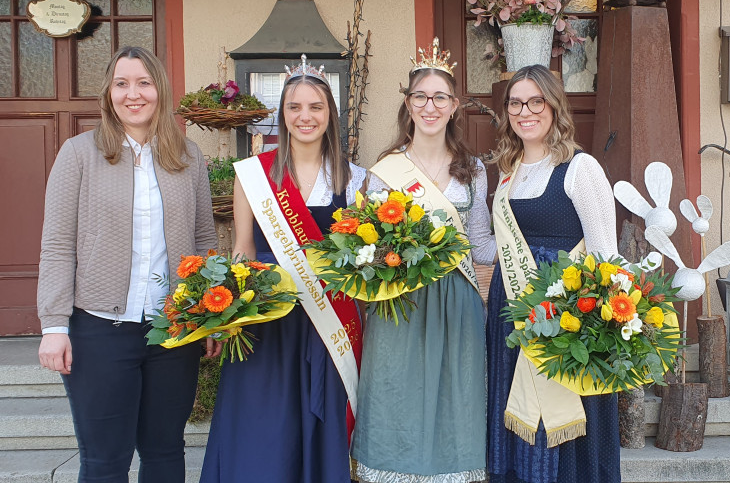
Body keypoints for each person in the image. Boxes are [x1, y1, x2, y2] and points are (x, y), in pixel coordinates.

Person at [37, 46, 218, 482]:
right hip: (99, 329)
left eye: (144, 83)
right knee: (105, 461)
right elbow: (58, 244)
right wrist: (54, 326)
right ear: (108, 93)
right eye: (122, 84)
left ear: (160, 90)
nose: (132, 94)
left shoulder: (189, 157)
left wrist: (211, 319)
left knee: (165, 454)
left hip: (172, 330)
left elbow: (205, 241)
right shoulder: (78, 154)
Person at [200, 56, 365, 483]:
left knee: (322, 423)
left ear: (330, 114)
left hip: (327, 318)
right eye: (295, 107)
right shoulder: (253, 176)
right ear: (283, 114)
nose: (305, 116)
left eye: (316, 107)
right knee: (263, 427)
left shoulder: (357, 179)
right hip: (267, 318)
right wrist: (224, 320)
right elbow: (242, 251)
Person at [351, 38, 496, 483]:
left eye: (439, 98)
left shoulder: (473, 169)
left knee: (457, 396)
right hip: (399, 304)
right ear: (408, 104)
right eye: (420, 97)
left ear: (454, 105)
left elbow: (482, 245)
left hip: (459, 300)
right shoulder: (384, 170)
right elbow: (366, 249)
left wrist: (540, 243)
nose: (429, 106)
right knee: (397, 392)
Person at [486, 64, 620, 483]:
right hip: (511, 309)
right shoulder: (508, 170)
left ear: (553, 105)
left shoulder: (582, 168)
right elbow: (497, 244)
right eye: (515, 103)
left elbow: (605, 254)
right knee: (519, 411)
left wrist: (601, 326)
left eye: (535, 101)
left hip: (565, 313)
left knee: (560, 420)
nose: (524, 111)